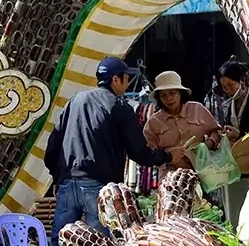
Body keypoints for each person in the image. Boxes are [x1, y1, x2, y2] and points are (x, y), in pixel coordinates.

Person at [44, 57, 185, 246]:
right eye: (126, 79)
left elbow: (52, 146)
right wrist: (168, 155)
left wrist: (57, 177)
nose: (127, 85)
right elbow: (139, 153)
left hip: (67, 184)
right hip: (98, 187)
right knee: (97, 241)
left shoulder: (75, 101)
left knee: (60, 241)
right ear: (116, 80)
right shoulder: (119, 107)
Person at [144, 71, 222, 180]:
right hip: (170, 180)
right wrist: (168, 157)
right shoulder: (153, 123)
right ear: (159, 98)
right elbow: (149, 154)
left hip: (203, 175)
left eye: (172, 93)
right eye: (163, 95)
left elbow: (216, 131)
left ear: (180, 93)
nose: (169, 99)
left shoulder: (197, 109)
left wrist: (209, 144)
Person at [217, 56, 249, 140]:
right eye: (224, 87)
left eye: (231, 85)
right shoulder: (225, 106)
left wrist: (239, 135)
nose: (228, 90)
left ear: (242, 80)